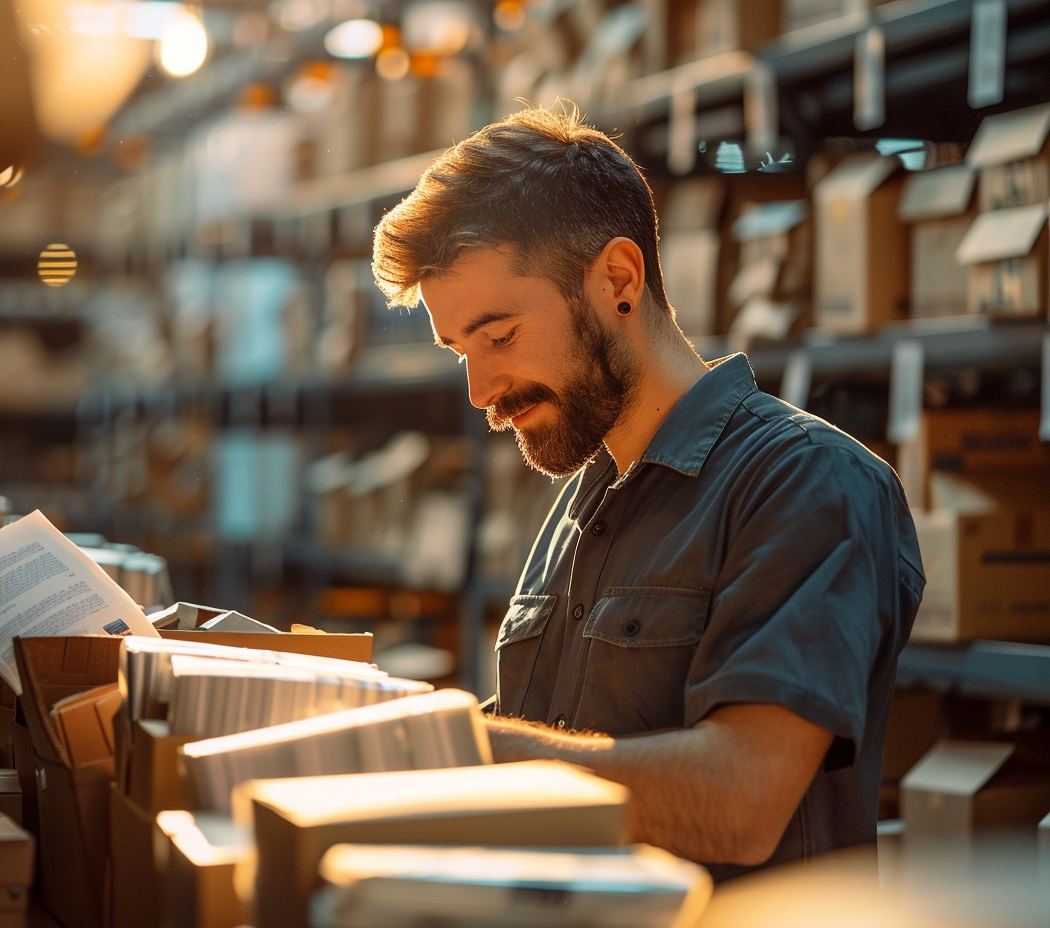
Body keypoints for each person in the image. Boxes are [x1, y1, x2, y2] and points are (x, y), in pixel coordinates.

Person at [370, 105, 925, 882]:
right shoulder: (582, 503)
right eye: (461, 350)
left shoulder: (805, 482)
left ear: (619, 281)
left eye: (498, 337)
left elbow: (741, 799)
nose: (480, 389)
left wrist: (454, 748)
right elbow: (560, 739)